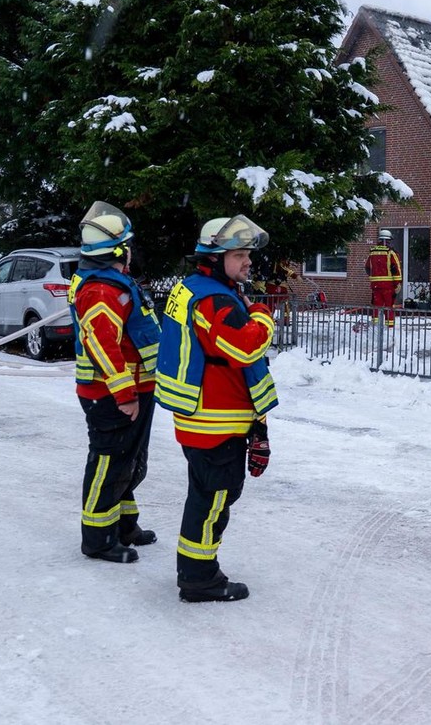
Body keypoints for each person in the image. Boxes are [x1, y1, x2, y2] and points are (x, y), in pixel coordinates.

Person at [155, 214, 277, 603]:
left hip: (206, 418)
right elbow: (245, 347)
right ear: (214, 258)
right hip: (215, 422)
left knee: (206, 496)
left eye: (247, 254)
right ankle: (199, 578)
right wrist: (263, 316)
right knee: (214, 499)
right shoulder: (215, 300)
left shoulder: (197, 289)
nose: (248, 262)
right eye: (239, 255)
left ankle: (195, 569)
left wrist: (258, 425)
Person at [71, 201, 162, 563]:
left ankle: (124, 526)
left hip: (134, 390)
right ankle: (98, 539)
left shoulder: (114, 284)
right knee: (109, 463)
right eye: (127, 245)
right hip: (112, 395)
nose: (131, 251)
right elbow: (102, 345)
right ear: (119, 251)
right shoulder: (101, 290)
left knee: (128, 461)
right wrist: (124, 394)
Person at [366, 229, 402, 328]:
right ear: (388, 241)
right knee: (389, 306)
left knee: (376, 306)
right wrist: (397, 283)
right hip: (388, 286)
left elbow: (367, 267)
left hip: (375, 286)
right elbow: (395, 269)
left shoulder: (372, 253)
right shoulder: (390, 253)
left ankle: (375, 326)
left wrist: (373, 278)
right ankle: (389, 327)